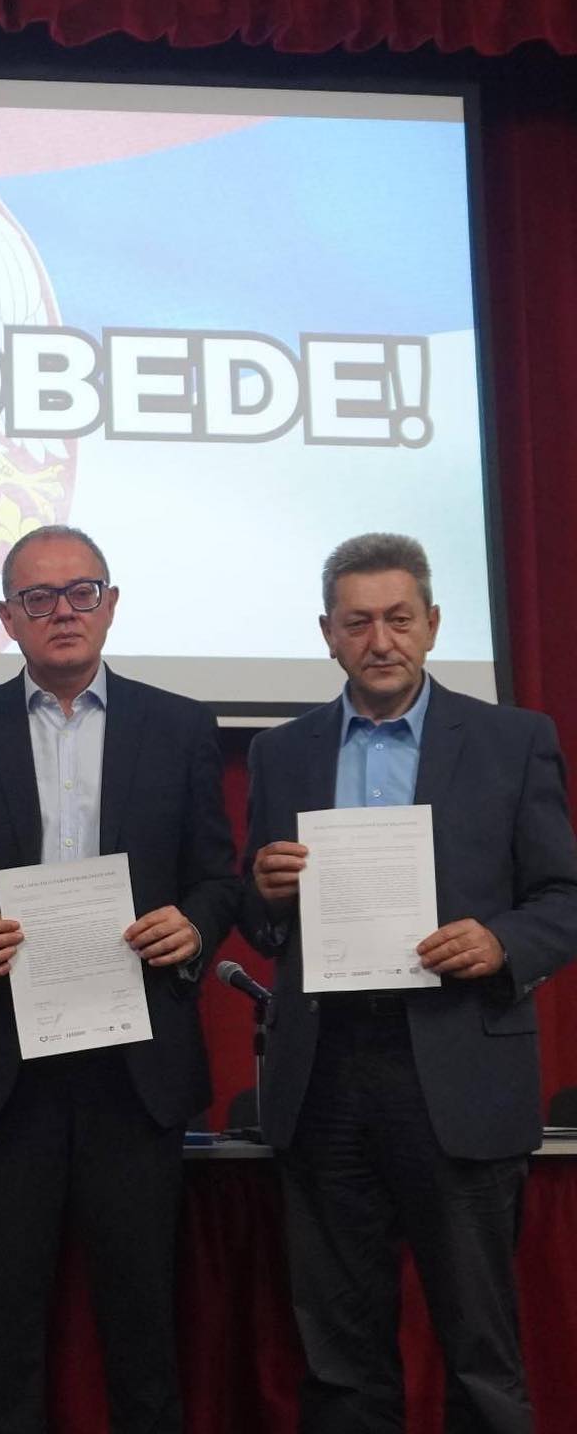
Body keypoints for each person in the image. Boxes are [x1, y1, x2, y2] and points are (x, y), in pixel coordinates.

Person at [0, 524, 240, 1434]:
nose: (63, 612)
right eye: (39, 598)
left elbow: (218, 877)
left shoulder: (179, 727)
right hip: (5, 1066)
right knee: (7, 1334)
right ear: (7, 617)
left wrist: (195, 925)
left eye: (82, 592)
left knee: (144, 1332)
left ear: (111, 605)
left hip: (137, 1067)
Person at [241, 532, 577, 1434]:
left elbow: (563, 898)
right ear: (327, 634)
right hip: (325, 1075)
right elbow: (261, 921)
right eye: (358, 623)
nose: (380, 640)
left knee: (480, 1350)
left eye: (398, 619)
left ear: (432, 623)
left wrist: (501, 942)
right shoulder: (281, 753)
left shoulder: (512, 740)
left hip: (459, 1069)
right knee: (340, 1360)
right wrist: (263, 891)